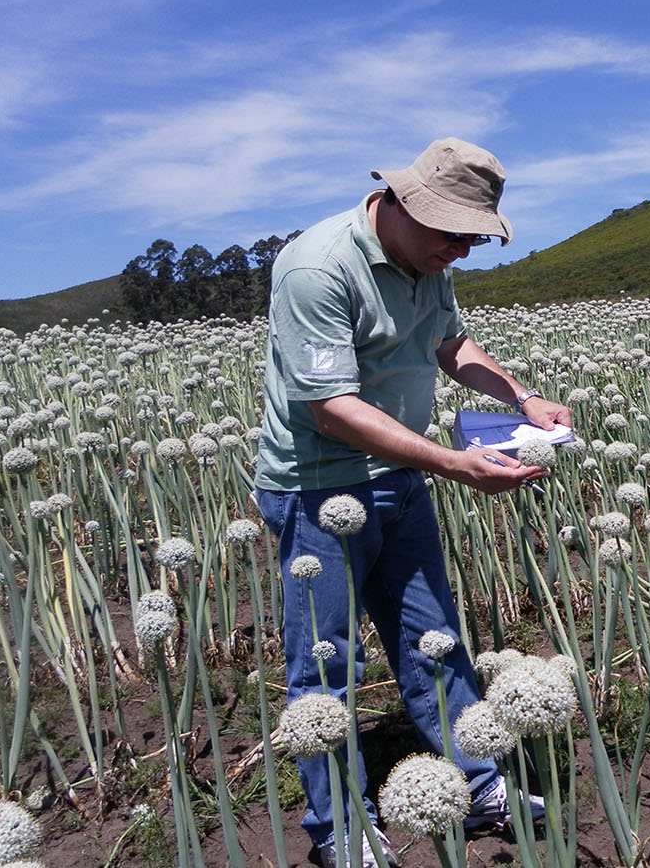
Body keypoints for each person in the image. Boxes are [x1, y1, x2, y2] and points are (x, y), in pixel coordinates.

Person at [253, 138, 573, 867]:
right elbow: (331, 408)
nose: (460, 251)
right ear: (403, 204)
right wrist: (453, 464)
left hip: (400, 476)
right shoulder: (316, 267)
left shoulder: (429, 262)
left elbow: (451, 345)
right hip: (316, 486)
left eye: (472, 239)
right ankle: (341, 827)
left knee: (436, 636)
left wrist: (523, 397)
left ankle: (476, 783)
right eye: (452, 234)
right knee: (325, 663)